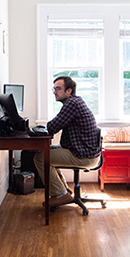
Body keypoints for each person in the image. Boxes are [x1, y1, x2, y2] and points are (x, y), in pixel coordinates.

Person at [33, 76, 101, 207]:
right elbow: (54, 126)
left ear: (69, 91)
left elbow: (52, 127)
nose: (54, 92)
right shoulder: (75, 102)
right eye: (54, 89)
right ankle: (63, 190)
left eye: (58, 89)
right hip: (83, 151)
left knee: (40, 157)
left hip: (84, 156)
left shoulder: (72, 104)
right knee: (46, 151)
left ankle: (61, 195)